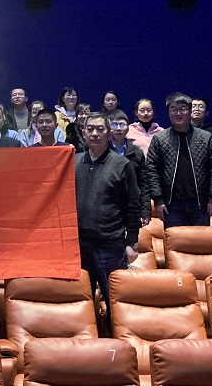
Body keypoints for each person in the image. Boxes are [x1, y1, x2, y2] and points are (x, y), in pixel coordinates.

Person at [74, 113, 140, 309]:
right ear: (83, 133)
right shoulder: (74, 162)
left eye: (100, 129)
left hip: (110, 245)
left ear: (109, 133)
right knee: (81, 304)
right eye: (90, 129)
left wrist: (131, 243)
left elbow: (132, 205)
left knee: (114, 303)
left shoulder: (122, 164)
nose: (94, 133)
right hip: (80, 246)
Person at [144, 93, 212, 228]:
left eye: (183, 109)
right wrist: (158, 200)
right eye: (173, 109)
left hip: (200, 205)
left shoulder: (206, 137)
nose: (178, 113)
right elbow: (151, 170)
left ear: (190, 111)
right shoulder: (159, 139)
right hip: (171, 205)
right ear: (168, 113)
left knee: (200, 241)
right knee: (174, 240)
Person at [108, 110, 150, 226]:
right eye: (114, 125)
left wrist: (145, 211)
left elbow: (143, 183)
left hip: (131, 204)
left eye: (122, 125)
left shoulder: (137, 152)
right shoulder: (103, 151)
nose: (118, 128)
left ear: (127, 129)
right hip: (108, 204)